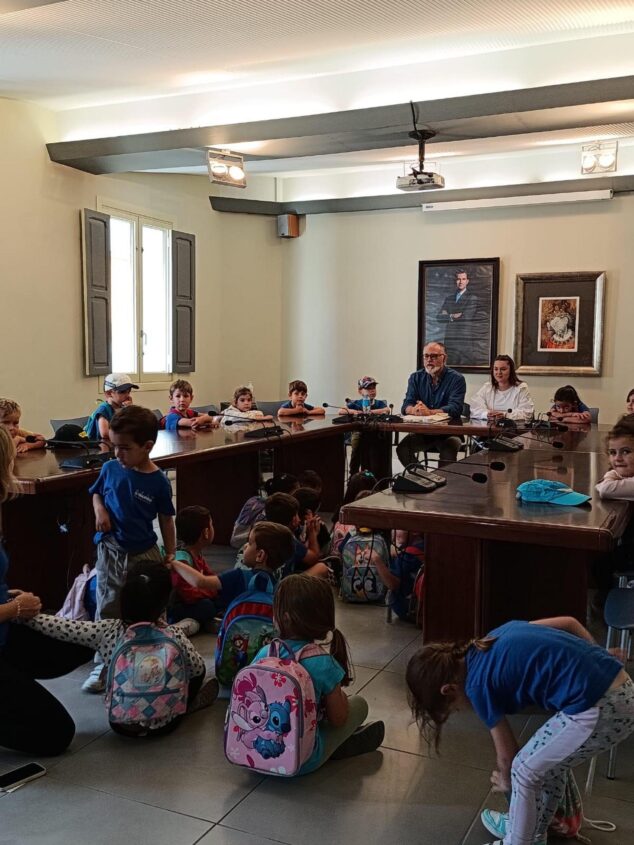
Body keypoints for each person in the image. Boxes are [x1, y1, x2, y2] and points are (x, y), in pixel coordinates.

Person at [406, 616, 634, 845]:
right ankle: (531, 826)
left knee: (523, 771)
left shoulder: (476, 686)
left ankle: (520, 839)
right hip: (619, 688)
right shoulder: (495, 636)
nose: (460, 710)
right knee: (540, 763)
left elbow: (507, 757)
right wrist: (598, 655)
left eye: (453, 709)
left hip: (602, 707)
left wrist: (507, 783)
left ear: (448, 690)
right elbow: (569, 623)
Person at [25, 562, 217, 737]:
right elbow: (198, 669)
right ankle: (184, 705)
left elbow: (62, 628)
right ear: (164, 604)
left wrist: (22, 613)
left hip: (122, 724)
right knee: (197, 674)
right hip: (165, 725)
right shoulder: (174, 634)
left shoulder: (106, 630)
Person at [0, 426, 95, 755]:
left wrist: (7, 594)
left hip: (5, 630)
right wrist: (13, 609)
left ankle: (14, 687)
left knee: (82, 642)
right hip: (6, 623)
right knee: (57, 734)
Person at [83, 405, 176, 693]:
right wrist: (100, 511)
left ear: (147, 446)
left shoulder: (158, 481)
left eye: (124, 448)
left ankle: (152, 656)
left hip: (144, 553)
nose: (117, 454)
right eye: (114, 446)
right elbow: (97, 492)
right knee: (108, 604)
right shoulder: (111, 468)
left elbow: (166, 518)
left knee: (148, 606)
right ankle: (104, 662)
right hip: (111, 550)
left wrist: (170, 552)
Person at [251, 574, 385, 773]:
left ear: (284, 618)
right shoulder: (323, 663)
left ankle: (337, 746)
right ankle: (338, 747)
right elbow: (338, 719)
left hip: (254, 755)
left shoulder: (265, 654)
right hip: (303, 761)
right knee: (359, 704)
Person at [171, 521, 295, 604]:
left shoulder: (238, 576)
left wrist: (175, 563)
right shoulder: (278, 586)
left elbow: (200, 582)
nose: (245, 546)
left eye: (250, 543)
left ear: (260, 555)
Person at [397, 341, 466, 467]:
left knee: (448, 452)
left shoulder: (457, 379)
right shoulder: (415, 378)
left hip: (449, 433)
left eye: (434, 356)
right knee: (402, 449)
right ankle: (423, 479)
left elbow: (456, 408)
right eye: (426, 356)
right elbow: (406, 405)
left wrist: (430, 412)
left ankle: (445, 485)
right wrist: (414, 410)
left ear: (443, 358)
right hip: (424, 433)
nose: (429, 360)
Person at [168, 506, 219, 632]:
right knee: (207, 606)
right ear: (205, 533)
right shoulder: (182, 559)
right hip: (178, 607)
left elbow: (210, 576)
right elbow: (188, 595)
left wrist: (218, 586)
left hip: (194, 601)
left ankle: (201, 622)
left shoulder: (197, 554)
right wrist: (213, 591)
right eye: (212, 525)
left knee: (222, 595)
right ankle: (183, 627)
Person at [264, 493, 330, 579]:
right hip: (284, 586)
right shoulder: (287, 538)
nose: (299, 519)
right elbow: (313, 558)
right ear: (293, 520)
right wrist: (312, 533)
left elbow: (303, 552)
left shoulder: (264, 530)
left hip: (268, 581)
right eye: (297, 514)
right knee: (322, 568)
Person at [230, 473, 299, 549]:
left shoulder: (253, 500)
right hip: (253, 547)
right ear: (287, 494)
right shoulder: (276, 509)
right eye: (297, 491)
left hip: (238, 542)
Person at [339, 377, 389, 474]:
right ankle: (353, 473)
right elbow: (341, 411)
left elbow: (386, 410)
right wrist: (355, 412)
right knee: (357, 443)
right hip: (359, 433)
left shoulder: (379, 403)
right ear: (360, 391)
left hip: (375, 434)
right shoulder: (356, 403)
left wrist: (369, 412)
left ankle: (373, 474)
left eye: (374, 387)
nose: (372, 390)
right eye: (368, 388)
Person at [469, 355, 534, 422]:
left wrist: (505, 415)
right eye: (496, 369)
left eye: (503, 369)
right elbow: (474, 409)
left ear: (511, 371)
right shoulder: (487, 387)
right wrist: (486, 414)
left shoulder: (521, 388)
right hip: (490, 429)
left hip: (513, 430)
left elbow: (527, 414)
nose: (499, 373)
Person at [436, 268, 480, 365]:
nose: (461, 282)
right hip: (450, 341)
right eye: (458, 279)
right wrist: (452, 315)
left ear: (467, 281)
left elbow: (466, 317)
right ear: (455, 281)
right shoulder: (449, 299)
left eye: (463, 279)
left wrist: (447, 315)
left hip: (463, 342)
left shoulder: (472, 298)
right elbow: (439, 317)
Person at [84, 373, 139, 440]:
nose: (127, 395)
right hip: (100, 445)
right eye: (123, 392)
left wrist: (130, 411)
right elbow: (105, 434)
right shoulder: (104, 409)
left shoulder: (123, 408)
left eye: (129, 391)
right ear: (109, 393)